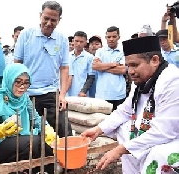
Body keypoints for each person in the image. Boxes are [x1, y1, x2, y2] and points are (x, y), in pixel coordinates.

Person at [82, 36, 179, 174]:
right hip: (156, 132)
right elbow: (125, 110)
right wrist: (98, 129)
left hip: (173, 138)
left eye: (134, 65)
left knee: (158, 153)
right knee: (125, 130)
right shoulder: (141, 80)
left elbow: (164, 131)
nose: (130, 71)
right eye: (128, 66)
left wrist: (119, 150)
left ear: (155, 60)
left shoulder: (173, 81)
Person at [0, 63, 56, 173]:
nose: (22, 86)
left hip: (19, 140)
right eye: (18, 82)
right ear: (9, 79)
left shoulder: (24, 99)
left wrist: (47, 129)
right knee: (35, 142)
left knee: (47, 143)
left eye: (26, 83)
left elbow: (36, 119)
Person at [14, 0, 72, 137]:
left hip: (50, 92)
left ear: (59, 20)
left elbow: (64, 68)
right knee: (30, 132)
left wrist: (62, 95)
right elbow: (17, 64)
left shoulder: (62, 39)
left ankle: (68, 157)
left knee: (63, 128)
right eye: (46, 18)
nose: (48, 23)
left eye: (53, 20)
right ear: (40, 15)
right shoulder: (26, 35)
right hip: (27, 93)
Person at [92, 26, 126, 111]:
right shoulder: (100, 51)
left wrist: (102, 67)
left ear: (119, 37)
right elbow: (95, 66)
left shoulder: (124, 51)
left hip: (118, 94)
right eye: (109, 37)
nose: (111, 39)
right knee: (102, 121)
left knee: (118, 121)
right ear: (105, 37)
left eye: (114, 37)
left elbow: (122, 70)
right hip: (102, 93)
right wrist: (114, 64)